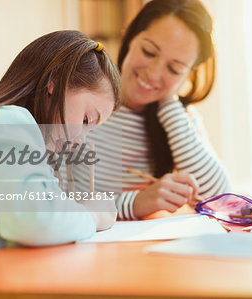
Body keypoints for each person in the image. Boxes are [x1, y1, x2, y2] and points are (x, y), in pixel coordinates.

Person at [0, 30, 121, 263]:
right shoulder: (11, 122)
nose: (81, 141)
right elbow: (33, 220)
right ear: (54, 82)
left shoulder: (10, 129)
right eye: (86, 120)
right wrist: (92, 215)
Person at [73, 0, 231, 220]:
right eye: (148, 52)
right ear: (130, 39)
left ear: (188, 75)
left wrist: (168, 103)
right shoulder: (80, 102)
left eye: (174, 68)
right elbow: (57, 201)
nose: (154, 73)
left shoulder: (179, 119)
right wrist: (135, 203)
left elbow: (219, 200)